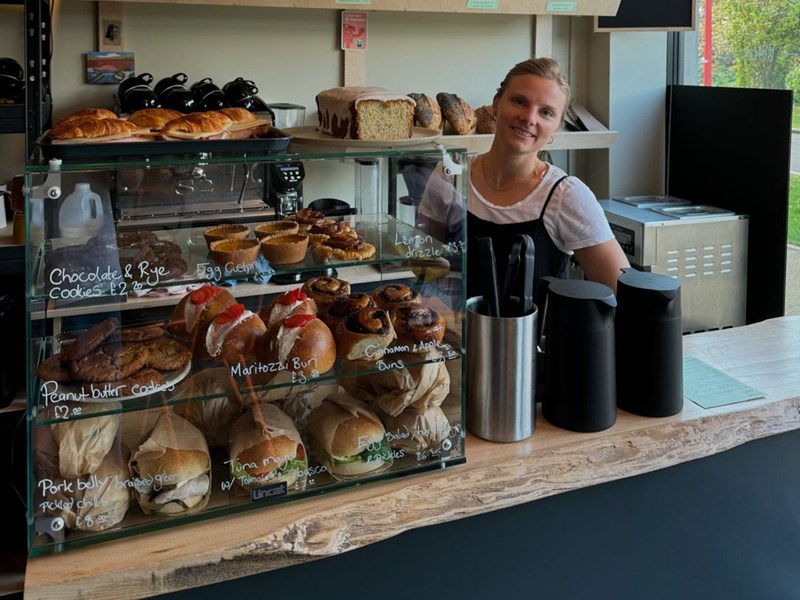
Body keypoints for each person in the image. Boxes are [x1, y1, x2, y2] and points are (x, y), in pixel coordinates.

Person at [417, 57, 629, 308]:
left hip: (533, 346)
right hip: (459, 342)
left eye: (546, 112)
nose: (529, 118)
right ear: (495, 105)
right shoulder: (450, 174)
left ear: (556, 128)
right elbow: (422, 264)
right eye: (519, 101)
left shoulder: (565, 195)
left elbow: (622, 291)